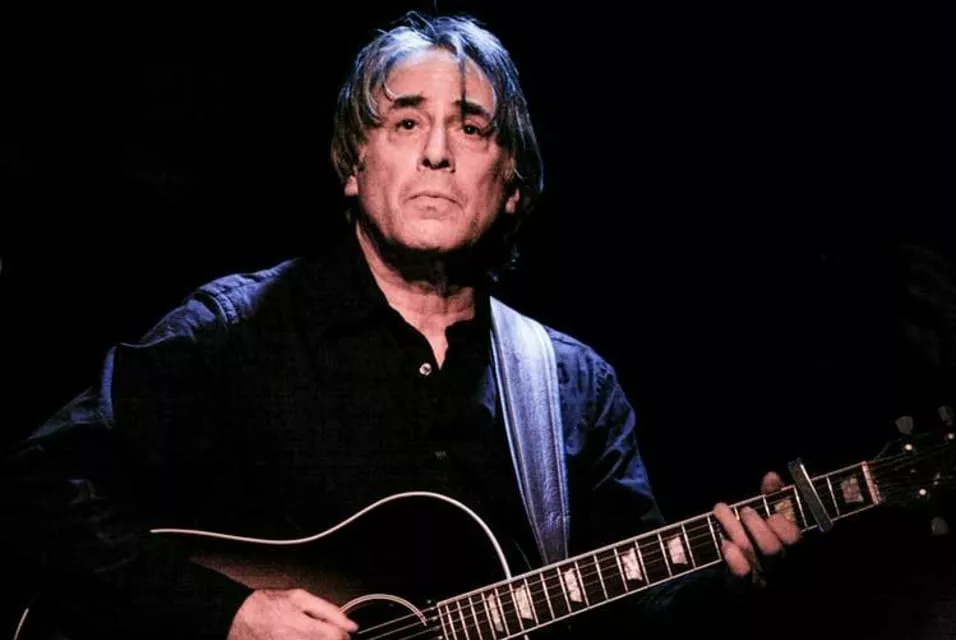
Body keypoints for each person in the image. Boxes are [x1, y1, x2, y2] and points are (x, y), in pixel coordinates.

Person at [0, 11, 801, 640]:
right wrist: (228, 614)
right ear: (355, 166)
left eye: (473, 127)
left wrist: (724, 579)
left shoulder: (572, 389)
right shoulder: (237, 331)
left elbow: (629, 613)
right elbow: (35, 490)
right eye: (406, 123)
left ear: (512, 185)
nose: (438, 153)